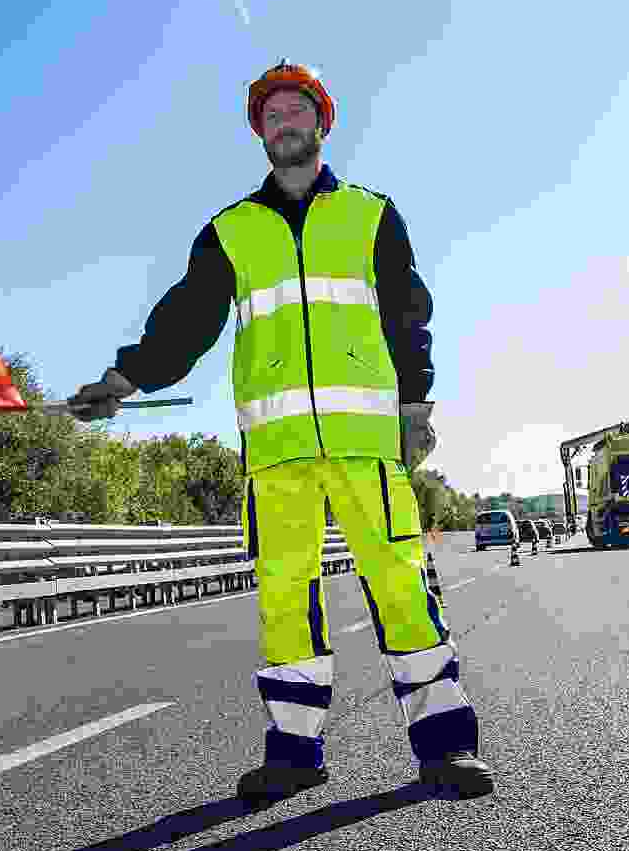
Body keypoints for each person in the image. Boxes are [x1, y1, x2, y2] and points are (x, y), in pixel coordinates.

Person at [68, 61, 494, 803]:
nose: (284, 123)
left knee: (400, 587)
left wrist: (416, 408)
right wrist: (121, 380)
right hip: (277, 454)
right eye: (271, 115)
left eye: (297, 111)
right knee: (284, 599)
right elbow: (185, 322)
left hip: (366, 448)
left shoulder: (370, 215)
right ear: (259, 134)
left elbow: (408, 316)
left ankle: (446, 746)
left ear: (322, 123)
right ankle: (294, 753)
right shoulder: (231, 232)